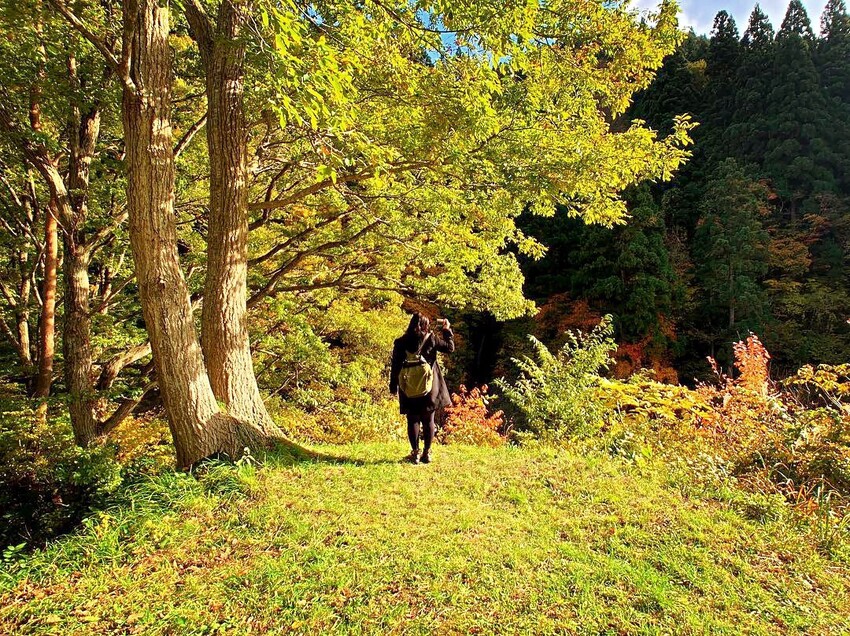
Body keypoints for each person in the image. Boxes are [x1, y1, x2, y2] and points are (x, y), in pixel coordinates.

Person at [389, 312, 455, 464]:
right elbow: (450, 348)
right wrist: (446, 330)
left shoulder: (401, 342)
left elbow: (396, 365)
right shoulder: (431, 339)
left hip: (408, 386)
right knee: (428, 419)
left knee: (412, 419)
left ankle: (415, 454)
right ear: (426, 325)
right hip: (429, 387)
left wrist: (393, 385)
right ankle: (427, 453)